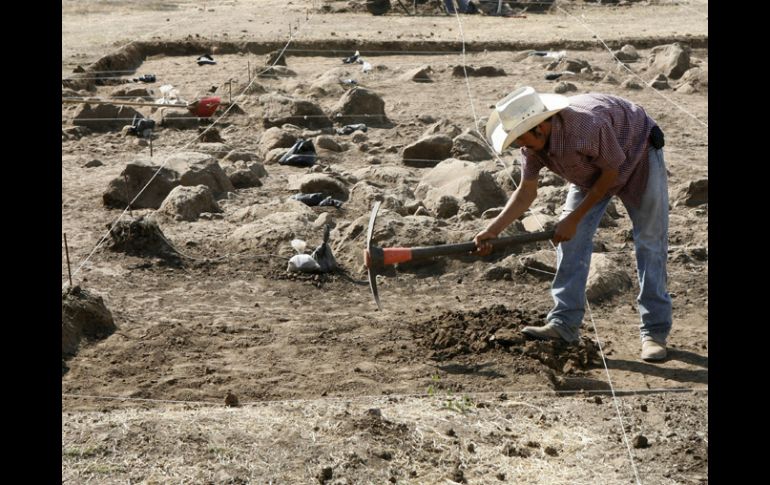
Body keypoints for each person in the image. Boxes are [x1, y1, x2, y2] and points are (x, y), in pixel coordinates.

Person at [474, 86, 671, 362]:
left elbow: (611, 172)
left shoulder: (586, 127)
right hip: (592, 169)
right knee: (570, 240)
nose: (520, 146)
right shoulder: (531, 146)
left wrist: (574, 218)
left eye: (521, 138)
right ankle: (564, 324)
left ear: (541, 127)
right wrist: (492, 230)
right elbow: (526, 192)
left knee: (650, 242)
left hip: (638, 153)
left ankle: (654, 331)